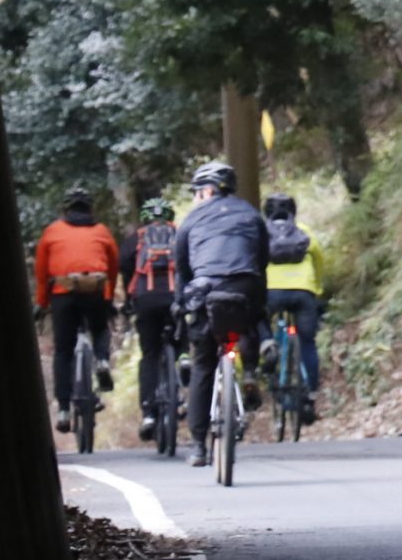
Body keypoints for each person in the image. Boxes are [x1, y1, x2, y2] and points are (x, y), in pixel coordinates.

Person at [175, 159, 266, 461]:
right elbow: (261, 259)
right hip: (244, 286)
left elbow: (182, 268)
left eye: (197, 191)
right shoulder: (251, 213)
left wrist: (180, 305)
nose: (195, 197)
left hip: (205, 289)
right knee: (250, 321)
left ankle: (198, 446)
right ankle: (250, 368)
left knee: (203, 364)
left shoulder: (191, 219)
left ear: (208, 190)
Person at [34, 187, 119, 436]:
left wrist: (41, 303)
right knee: (100, 328)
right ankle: (102, 361)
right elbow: (112, 267)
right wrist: (108, 297)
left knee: (63, 351)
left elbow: (42, 272)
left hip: (63, 293)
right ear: (90, 209)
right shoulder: (101, 231)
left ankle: (63, 409)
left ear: (66, 209)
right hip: (94, 290)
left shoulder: (52, 231)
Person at [117, 198, 181, 443]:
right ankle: (184, 358)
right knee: (182, 336)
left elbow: (124, 265)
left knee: (150, 355)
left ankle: (149, 414)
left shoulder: (137, 238)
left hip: (146, 299)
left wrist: (129, 301)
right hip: (175, 297)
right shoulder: (180, 234)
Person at [261, 193, 329, 420]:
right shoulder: (303, 231)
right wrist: (317, 288)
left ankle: (268, 347)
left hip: (271, 291)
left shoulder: (262, 232)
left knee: (260, 322)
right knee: (308, 342)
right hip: (303, 291)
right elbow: (319, 259)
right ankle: (310, 395)